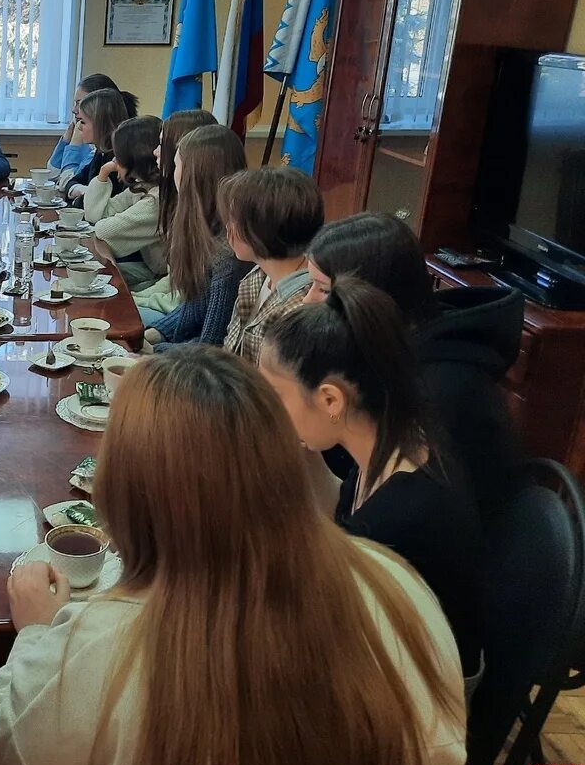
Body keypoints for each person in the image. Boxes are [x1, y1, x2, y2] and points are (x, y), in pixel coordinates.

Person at [0, 346, 466, 765]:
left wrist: (36, 634)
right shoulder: (396, 582)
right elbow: (444, 755)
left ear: (121, 494)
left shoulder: (95, 649)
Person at [260, 278, 484, 682]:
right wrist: (299, 453)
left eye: (276, 396)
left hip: (417, 692)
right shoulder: (391, 440)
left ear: (331, 400)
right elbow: (337, 519)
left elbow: (323, 619)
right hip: (379, 647)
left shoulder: (402, 514)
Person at [304, 212, 525, 511]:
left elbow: (368, 519)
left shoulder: (437, 390)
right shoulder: (393, 351)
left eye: (324, 290)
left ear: (371, 294)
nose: (307, 301)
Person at [145, 124, 250, 345]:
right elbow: (196, 306)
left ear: (193, 175)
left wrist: (154, 353)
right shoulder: (210, 227)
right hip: (187, 351)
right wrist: (153, 335)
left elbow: (211, 344)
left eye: (176, 165)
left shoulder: (227, 254)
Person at [218, 166, 324, 364]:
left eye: (233, 220)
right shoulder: (257, 275)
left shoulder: (302, 305)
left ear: (260, 229)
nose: (227, 227)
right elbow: (230, 350)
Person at [129, 109, 218, 318]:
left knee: (109, 316)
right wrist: (137, 297)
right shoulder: (179, 201)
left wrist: (137, 300)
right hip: (172, 309)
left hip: (179, 318)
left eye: (162, 144)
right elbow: (174, 280)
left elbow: (184, 302)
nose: (155, 152)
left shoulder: (204, 216)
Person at [82, 115, 168, 288]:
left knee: (97, 286)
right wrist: (104, 173)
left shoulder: (157, 200)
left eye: (117, 156)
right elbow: (94, 215)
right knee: (89, 277)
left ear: (132, 158)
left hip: (163, 280)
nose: (114, 160)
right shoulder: (142, 187)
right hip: (151, 269)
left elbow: (103, 231)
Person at [46, 73, 135, 176]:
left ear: (98, 108)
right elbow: (52, 173)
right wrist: (67, 137)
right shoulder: (88, 134)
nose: (74, 110)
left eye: (79, 103)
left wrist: (74, 144)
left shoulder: (103, 147)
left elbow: (67, 179)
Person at [62, 88, 138, 202]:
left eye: (83, 122)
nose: (79, 127)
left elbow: (98, 204)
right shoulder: (101, 151)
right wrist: (83, 190)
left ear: (100, 124)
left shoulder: (118, 158)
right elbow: (72, 182)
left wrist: (83, 194)